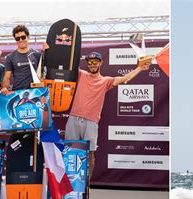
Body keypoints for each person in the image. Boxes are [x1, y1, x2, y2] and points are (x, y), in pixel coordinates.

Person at [64, 51, 150, 185]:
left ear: (100, 63)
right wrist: (47, 50)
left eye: (95, 62)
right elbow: (66, 63)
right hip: (74, 118)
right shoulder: (81, 74)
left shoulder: (106, 81)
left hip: (91, 121)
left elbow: (123, 79)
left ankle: (86, 185)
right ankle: (69, 184)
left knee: (90, 154)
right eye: (90, 62)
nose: (92, 65)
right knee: (70, 152)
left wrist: (139, 67)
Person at [0, 25, 42, 94]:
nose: (20, 40)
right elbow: (7, 77)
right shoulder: (10, 57)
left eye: (23, 37)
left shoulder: (37, 54)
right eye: (17, 38)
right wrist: (5, 88)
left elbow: (42, 75)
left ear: (28, 37)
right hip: (18, 93)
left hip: (35, 93)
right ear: (15, 40)